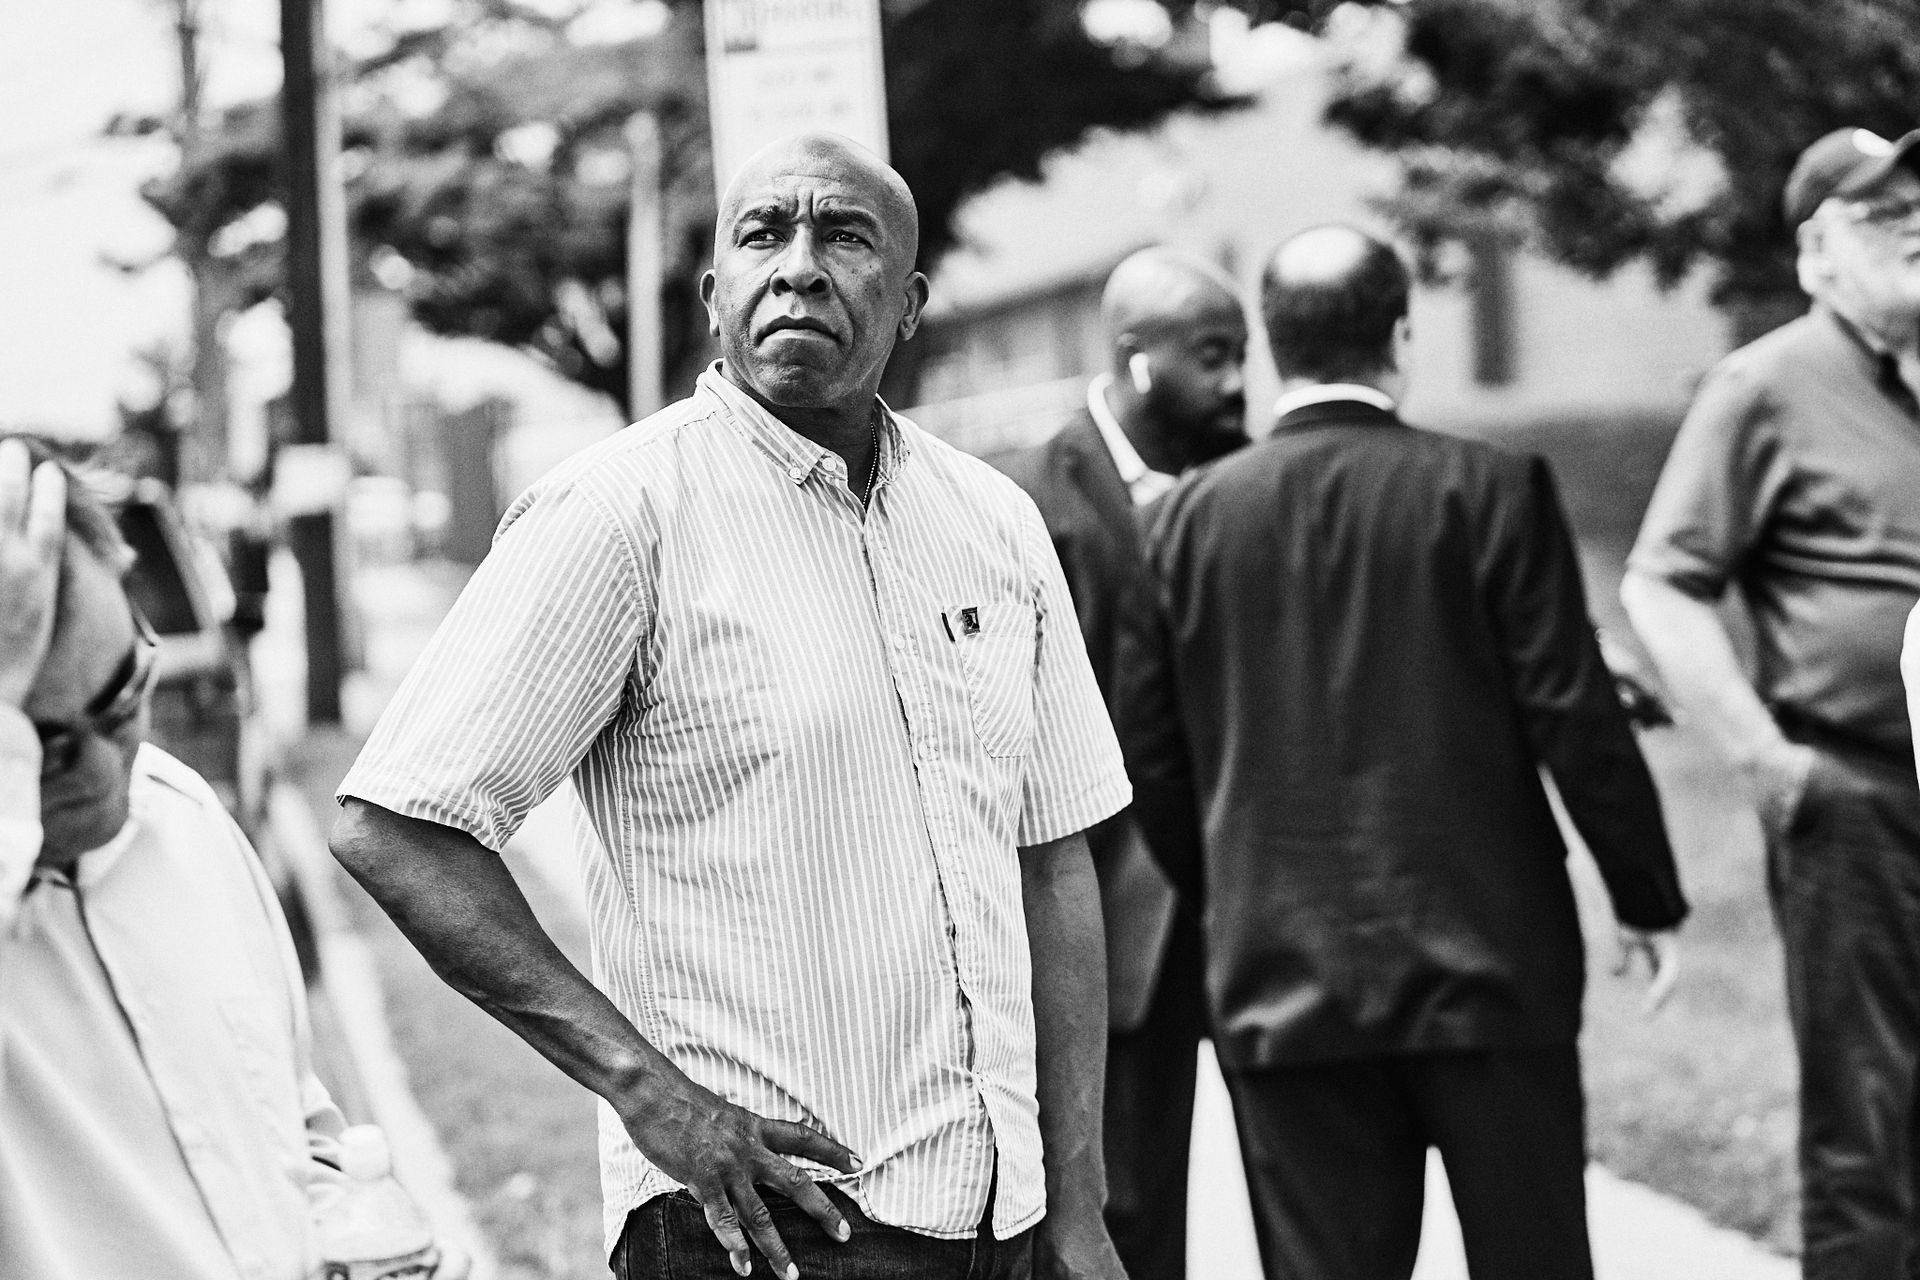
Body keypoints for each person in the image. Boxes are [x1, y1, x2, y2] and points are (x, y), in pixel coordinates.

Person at [331, 132, 1133, 1280]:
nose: (798, 266)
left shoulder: (995, 523)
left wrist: (1080, 1202)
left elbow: (1054, 861)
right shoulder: (619, 513)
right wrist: (653, 1096)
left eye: (843, 236)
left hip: (1001, 1225)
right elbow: (396, 825)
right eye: (764, 234)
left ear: (907, 305)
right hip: (760, 1229)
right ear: (715, 295)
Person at [1118, 225, 1688, 1280]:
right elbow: (1572, 710)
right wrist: (1644, 892)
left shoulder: (1184, 524)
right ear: (1400, 336)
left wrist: (1235, 892)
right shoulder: (1490, 488)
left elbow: (1150, 763)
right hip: (1490, 967)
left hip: (1281, 979)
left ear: (1274, 347)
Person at [0, 436, 454, 1279]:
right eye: (46, 743)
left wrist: (360, 1234)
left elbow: (291, 1134)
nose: (108, 774)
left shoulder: (183, 819)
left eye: (124, 698)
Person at [1623, 126, 1920, 1279]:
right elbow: (1662, 582)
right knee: (1871, 1128)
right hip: (1858, 801)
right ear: (1815, 249)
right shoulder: (1765, 383)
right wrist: (1766, 755)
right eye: (1881, 210)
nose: (1914, 224)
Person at [986, 246, 1246, 1280]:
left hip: (1246, 904)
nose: (1238, 383)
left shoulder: (1246, 475)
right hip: (1114, 913)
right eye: (1216, 356)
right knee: (1122, 1211)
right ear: (1140, 358)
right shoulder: (1031, 498)